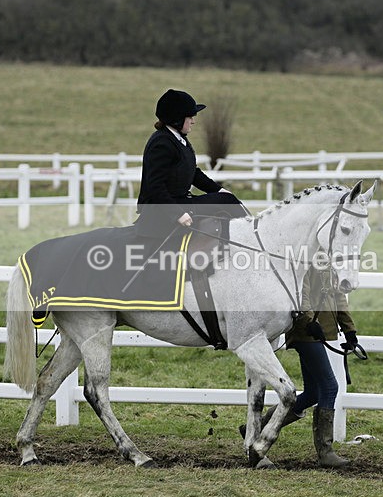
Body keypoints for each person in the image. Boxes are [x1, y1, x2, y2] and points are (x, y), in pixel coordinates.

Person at [241, 266, 360, 468]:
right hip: (307, 332)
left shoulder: (332, 259)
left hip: (321, 331)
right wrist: (308, 320)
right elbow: (301, 294)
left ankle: (257, 426)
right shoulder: (308, 258)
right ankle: (325, 452)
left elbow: (338, 295)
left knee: (314, 392)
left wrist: (349, 330)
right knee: (330, 387)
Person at [135, 89, 246, 239]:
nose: (193, 121)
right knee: (227, 202)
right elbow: (155, 186)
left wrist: (219, 190)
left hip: (180, 202)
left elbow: (192, 172)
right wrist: (178, 214)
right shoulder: (161, 143)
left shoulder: (178, 139)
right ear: (177, 119)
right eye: (190, 117)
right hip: (162, 210)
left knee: (227, 199)